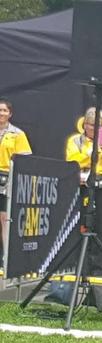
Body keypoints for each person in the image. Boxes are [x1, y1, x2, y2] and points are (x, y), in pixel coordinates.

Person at [65, 107, 102, 275]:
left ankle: (96, 267)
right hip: (82, 186)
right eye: (92, 125)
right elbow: (72, 160)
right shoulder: (75, 140)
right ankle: (79, 265)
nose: (95, 129)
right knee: (81, 224)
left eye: (99, 125)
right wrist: (92, 152)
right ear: (85, 125)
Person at [0, 97, 32, 270]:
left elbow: (25, 159)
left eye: (4, 110)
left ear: (10, 114)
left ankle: (6, 259)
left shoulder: (17, 134)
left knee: (4, 218)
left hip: (7, 177)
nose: (1, 113)